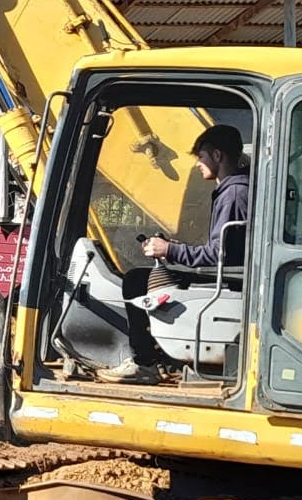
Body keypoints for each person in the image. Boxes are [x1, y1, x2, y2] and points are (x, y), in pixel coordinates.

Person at [96, 124, 250, 384]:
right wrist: (176, 248)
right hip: (229, 271)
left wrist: (170, 250)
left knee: (135, 280)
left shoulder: (233, 194)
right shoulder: (238, 189)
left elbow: (218, 255)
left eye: (201, 156)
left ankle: (145, 363)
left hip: (228, 276)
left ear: (217, 155)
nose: (198, 164)